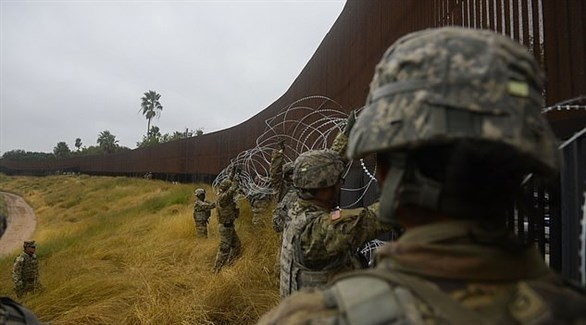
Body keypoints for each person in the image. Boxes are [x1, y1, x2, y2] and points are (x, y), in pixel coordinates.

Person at [258, 27, 586, 324]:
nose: (341, 182)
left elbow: (333, 178)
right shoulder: (567, 308)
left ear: (387, 176)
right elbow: (346, 197)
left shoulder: (312, 315)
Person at [279, 149, 393, 298]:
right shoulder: (317, 232)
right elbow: (373, 218)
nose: (340, 186)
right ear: (325, 187)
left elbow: (318, 168)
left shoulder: (295, 210)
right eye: (339, 181)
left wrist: (346, 136)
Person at [212, 169, 242, 273]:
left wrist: (233, 172)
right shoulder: (223, 198)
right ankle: (216, 270)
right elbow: (232, 189)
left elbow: (227, 182)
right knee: (224, 250)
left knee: (237, 246)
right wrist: (237, 180)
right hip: (225, 227)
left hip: (229, 227)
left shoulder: (222, 192)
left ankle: (230, 264)